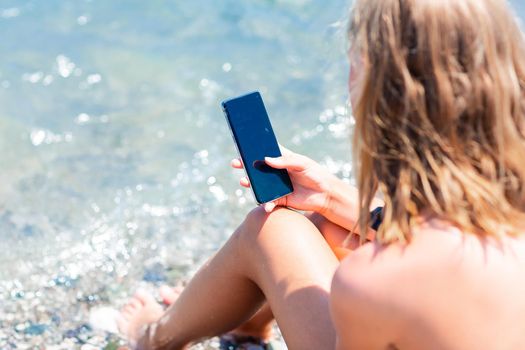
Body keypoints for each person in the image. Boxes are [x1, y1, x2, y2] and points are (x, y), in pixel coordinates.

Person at [118, 0, 525, 348]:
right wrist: (331, 197)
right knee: (325, 224)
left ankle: (153, 337)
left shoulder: (373, 281)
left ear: (377, 93)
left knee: (270, 229)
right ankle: (243, 323)